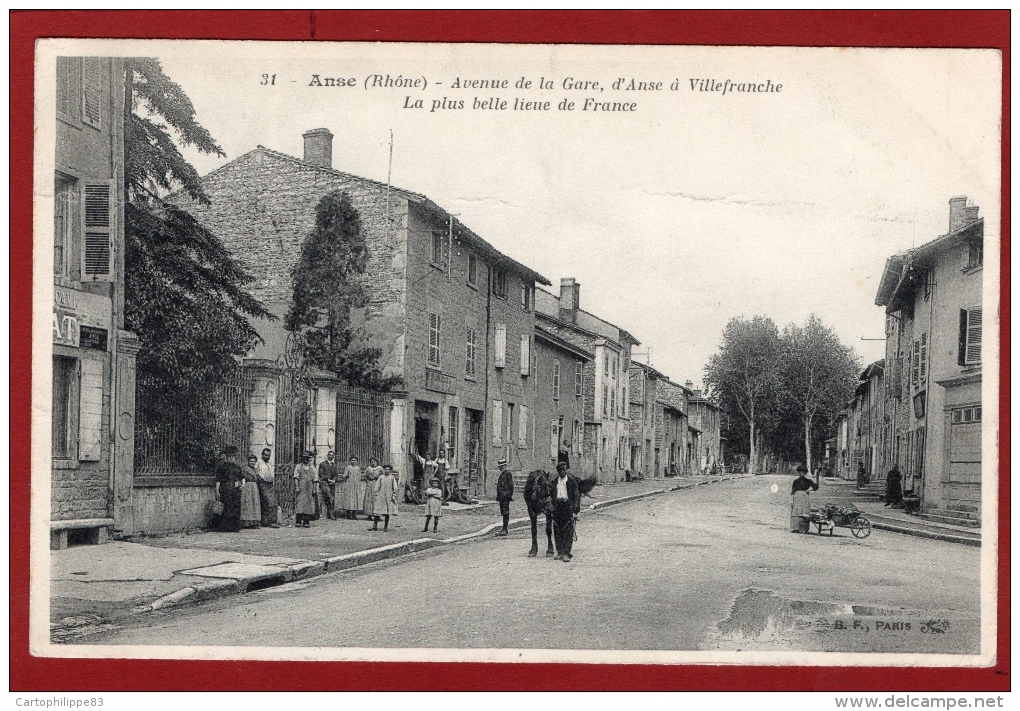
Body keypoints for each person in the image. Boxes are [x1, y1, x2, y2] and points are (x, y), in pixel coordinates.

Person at [550, 461, 581, 562]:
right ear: (558, 471)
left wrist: (576, 510)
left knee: (568, 530)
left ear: (566, 469)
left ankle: (567, 553)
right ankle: (560, 552)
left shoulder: (571, 481)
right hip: (557, 507)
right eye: (560, 470)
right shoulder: (555, 482)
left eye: (564, 469)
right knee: (557, 529)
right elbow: (551, 495)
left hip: (567, 506)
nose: (562, 472)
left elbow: (576, 496)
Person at [213, 446, 244, 533]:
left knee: (235, 507)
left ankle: (234, 527)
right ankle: (224, 527)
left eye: (233, 457)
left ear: (235, 457)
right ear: (226, 457)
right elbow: (218, 480)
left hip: (236, 490)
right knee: (226, 507)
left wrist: (243, 485)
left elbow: (242, 477)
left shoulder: (238, 468)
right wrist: (217, 490)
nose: (231, 458)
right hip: (225, 489)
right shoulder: (222, 467)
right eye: (229, 457)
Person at [370, 464, 399, 531]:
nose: (387, 471)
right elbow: (377, 486)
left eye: (388, 469)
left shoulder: (392, 478)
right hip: (381, 496)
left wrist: (394, 494)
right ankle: (375, 526)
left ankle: (385, 527)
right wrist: (376, 493)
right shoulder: (381, 477)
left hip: (389, 496)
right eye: (385, 469)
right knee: (377, 512)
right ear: (384, 470)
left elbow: (395, 487)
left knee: (387, 512)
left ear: (390, 470)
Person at [293, 450, 318, 528]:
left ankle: (306, 521)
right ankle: (298, 521)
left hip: (309, 487)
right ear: (302, 458)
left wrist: (314, 489)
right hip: (301, 487)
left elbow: (315, 479)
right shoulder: (298, 466)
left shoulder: (312, 467)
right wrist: (297, 487)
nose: (305, 459)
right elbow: (296, 477)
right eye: (304, 458)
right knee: (299, 503)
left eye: (307, 458)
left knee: (308, 504)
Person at [790, 464, 818, 533]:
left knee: (804, 512)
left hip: (805, 497)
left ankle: (804, 528)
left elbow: (816, 487)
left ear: (805, 472)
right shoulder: (795, 481)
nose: (800, 473)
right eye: (799, 471)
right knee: (795, 511)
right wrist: (791, 499)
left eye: (802, 472)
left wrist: (809, 490)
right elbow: (793, 491)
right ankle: (795, 528)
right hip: (797, 497)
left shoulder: (808, 481)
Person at [255, 447, 279, 527]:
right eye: (265, 455)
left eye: (268, 455)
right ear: (262, 454)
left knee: (274, 502)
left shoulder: (269, 463)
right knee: (268, 501)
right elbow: (255, 472)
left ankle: (268, 521)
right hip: (263, 483)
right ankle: (270, 522)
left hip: (270, 484)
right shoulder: (258, 462)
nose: (267, 457)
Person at [240, 454, 262, 528]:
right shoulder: (245, 469)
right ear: (248, 461)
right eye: (251, 461)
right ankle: (246, 523)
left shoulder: (256, 470)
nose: (253, 463)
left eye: (254, 461)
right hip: (247, 487)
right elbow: (242, 477)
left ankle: (254, 522)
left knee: (254, 504)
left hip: (254, 487)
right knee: (248, 504)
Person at [494, 457, 514, 537]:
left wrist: (508, 496)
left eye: (502, 466)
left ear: (504, 466)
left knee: (505, 512)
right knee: (503, 512)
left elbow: (511, 486)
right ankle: (503, 529)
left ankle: (505, 530)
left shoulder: (508, 474)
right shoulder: (502, 474)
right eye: (500, 466)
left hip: (505, 497)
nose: (500, 467)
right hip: (502, 497)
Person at [318, 451, 339, 520]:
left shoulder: (334, 465)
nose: (331, 456)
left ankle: (331, 514)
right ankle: (324, 514)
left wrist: (334, 480)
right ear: (327, 456)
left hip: (332, 484)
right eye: (330, 455)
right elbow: (321, 474)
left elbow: (336, 474)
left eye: (332, 455)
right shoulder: (323, 464)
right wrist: (328, 479)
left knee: (332, 498)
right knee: (328, 497)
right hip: (325, 483)